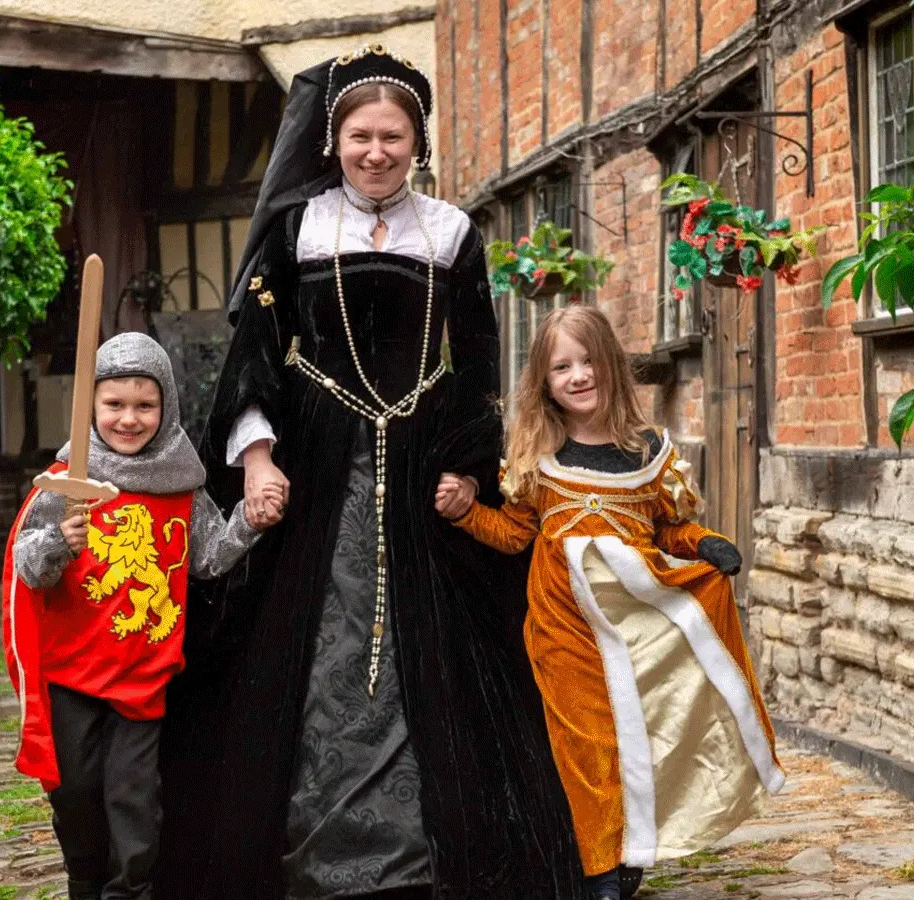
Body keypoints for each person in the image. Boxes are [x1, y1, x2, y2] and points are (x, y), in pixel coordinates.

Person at [154, 45, 588, 900]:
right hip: (315, 461)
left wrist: (468, 470)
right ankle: (310, 844)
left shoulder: (452, 232)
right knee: (309, 645)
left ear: (416, 143)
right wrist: (258, 459)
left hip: (425, 461)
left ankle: (422, 850)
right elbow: (256, 356)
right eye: (361, 137)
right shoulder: (298, 230)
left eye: (393, 137)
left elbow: (476, 363)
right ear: (335, 141)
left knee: (439, 652)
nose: (376, 152)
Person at [437, 306, 784, 900]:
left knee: (642, 738)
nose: (578, 376)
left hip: (639, 623)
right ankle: (600, 869)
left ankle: (633, 851)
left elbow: (667, 529)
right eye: (561, 367)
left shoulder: (649, 453)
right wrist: (468, 512)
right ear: (544, 382)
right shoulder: (538, 458)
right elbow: (516, 534)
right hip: (563, 629)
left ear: (612, 365)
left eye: (589, 360)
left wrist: (704, 543)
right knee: (587, 746)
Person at [1, 331, 282, 900]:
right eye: (114, 404)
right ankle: (85, 883)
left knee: (134, 806)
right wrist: (58, 542)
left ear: (166, 406)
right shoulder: (66, 483)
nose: (129, 419)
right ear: (91, 406)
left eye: (144, 405)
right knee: (76, 793)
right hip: (73, 672)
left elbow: (206, 557)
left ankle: (130, 891)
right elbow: (28, 569)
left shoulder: (181, 484)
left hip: (142, 676)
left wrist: (248, 522)